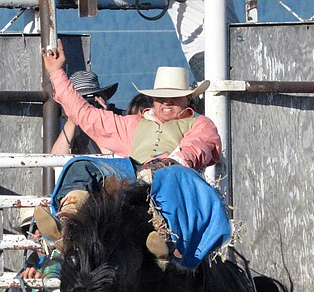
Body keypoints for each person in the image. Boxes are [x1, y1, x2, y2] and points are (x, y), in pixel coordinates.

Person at [38, 41, 226, 267]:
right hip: (133, 171)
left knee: (172, 174)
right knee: (81, 165)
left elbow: (197, 147)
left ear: (188, 99)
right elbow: (85, 115)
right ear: (153, 100)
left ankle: (165, 235)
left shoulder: (200, 123)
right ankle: (67, 222)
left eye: (174, 97)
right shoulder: (133, 124)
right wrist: (57, 72)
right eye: (160, 97)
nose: (166, 102)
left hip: (176, 181)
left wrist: (163, 165)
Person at [50, 71, 119, 155]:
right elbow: (57, 160)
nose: (87, 106)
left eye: (92, 99)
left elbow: (115, 158)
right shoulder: (62, 124)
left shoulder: (119, 119)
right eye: (81, 101)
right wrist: (73, 117)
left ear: (102, 98)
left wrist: (104, 119)